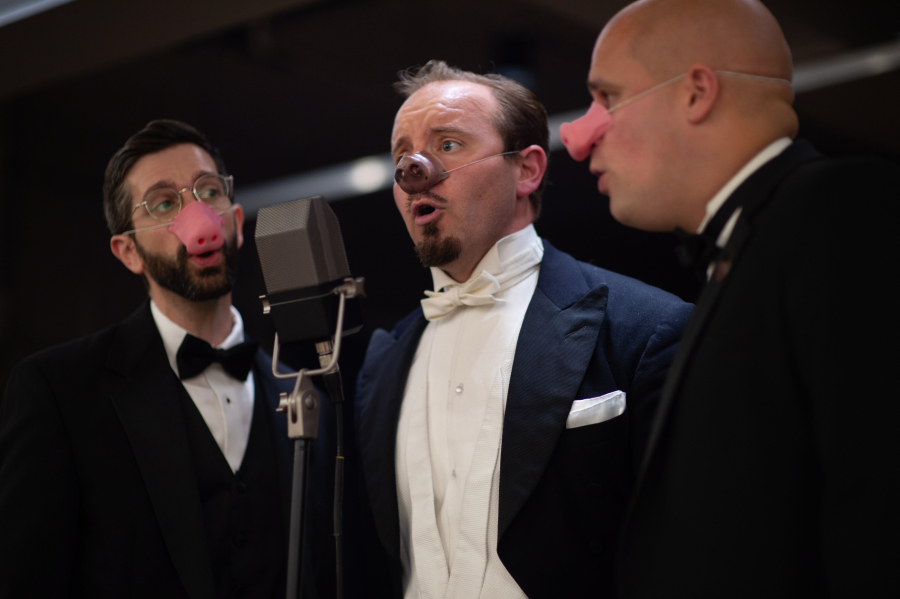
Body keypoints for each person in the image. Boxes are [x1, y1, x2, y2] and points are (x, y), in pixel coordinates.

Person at [560, 0, 900, 596]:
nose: (580, 138)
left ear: (696, 92)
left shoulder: (839, 211)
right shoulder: (751, 249)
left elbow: (878, 496)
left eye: (607, 98)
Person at [345, 60, 692, 599]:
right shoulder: (382, 361)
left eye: (449, 145)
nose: (414, 169)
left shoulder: (646, 327)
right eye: (402, 155)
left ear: (527, 170)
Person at [0, 120, 297, 598]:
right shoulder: (58, 391)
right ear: (128, 251)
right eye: (164, 203)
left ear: (236, 223)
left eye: (208, 192)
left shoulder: (301, 387)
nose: (196, 218)